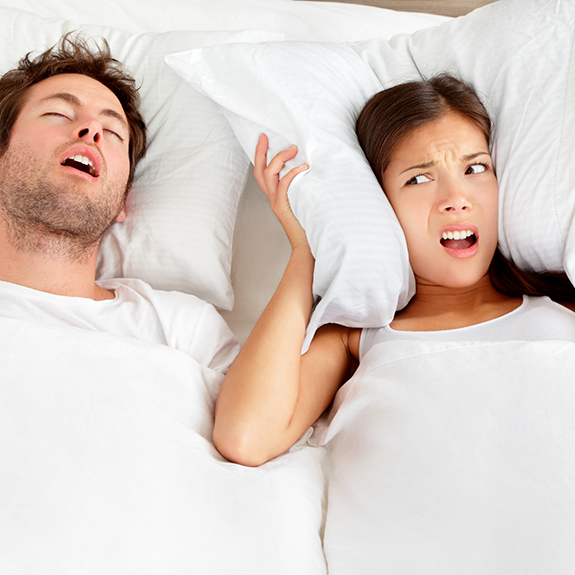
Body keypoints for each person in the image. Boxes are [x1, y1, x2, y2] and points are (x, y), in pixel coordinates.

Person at [213, 73, 575, 467]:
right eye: (419, 178)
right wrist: (306, 249)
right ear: (380, 205)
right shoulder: (355, 336)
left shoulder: (562, 307)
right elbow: (245, 437)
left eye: (475, 169)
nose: (456, 199)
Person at [0, 33, 238, 372]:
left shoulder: (182, 329)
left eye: (112, 132)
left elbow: (269, 423)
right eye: (58, 113)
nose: (92, 129)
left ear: (121, 201)